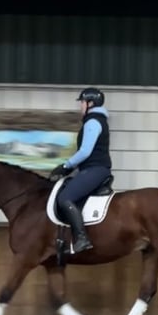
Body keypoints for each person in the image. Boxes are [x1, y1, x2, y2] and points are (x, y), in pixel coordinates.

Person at [48, 87, 112, 253]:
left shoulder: (92, 122)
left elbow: (85, 151)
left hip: (96, 169)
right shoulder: (96, 120)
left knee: (65, 198)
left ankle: (82, 238)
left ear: (90, 103)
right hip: (94, 168)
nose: (80, 107)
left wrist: (65, 166)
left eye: (82, 103)